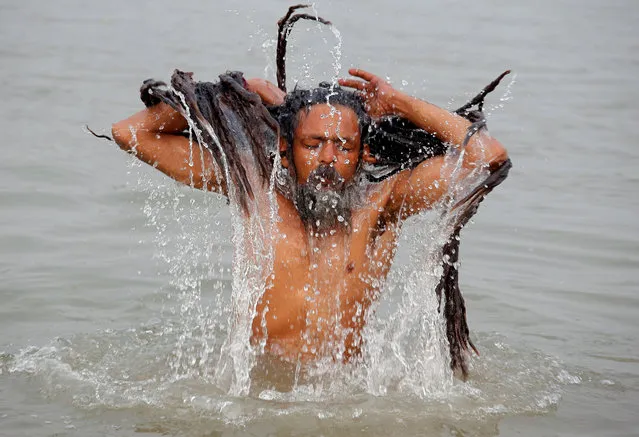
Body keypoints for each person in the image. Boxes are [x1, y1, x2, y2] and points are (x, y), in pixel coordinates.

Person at [110, 67, 508, 373]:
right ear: (286, 148)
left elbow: (487, 157)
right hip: (256, 392)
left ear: (364, 154)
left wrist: (399, 103)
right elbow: (131, 133)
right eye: (313, 144)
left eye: (344, 146)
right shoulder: (254, 188)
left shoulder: (383, 206)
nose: (329, 160)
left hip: (343, 395)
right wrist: (231, 94)